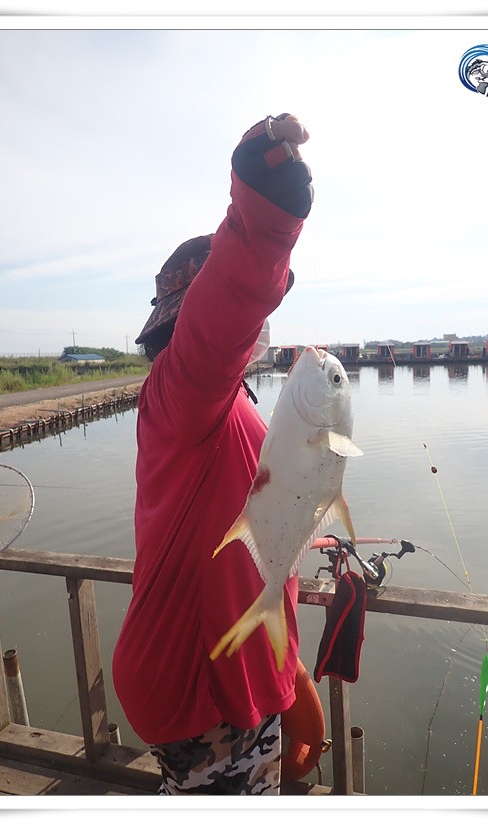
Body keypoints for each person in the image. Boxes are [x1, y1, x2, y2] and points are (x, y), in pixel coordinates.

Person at [112, 113, 313, 795]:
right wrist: (265, 211)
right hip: (200, 682)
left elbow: (242, 528)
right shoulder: (184, 392)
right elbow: (226, 304)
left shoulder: (223, 407)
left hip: (230, 669)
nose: (253, 330)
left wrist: (288, 671)